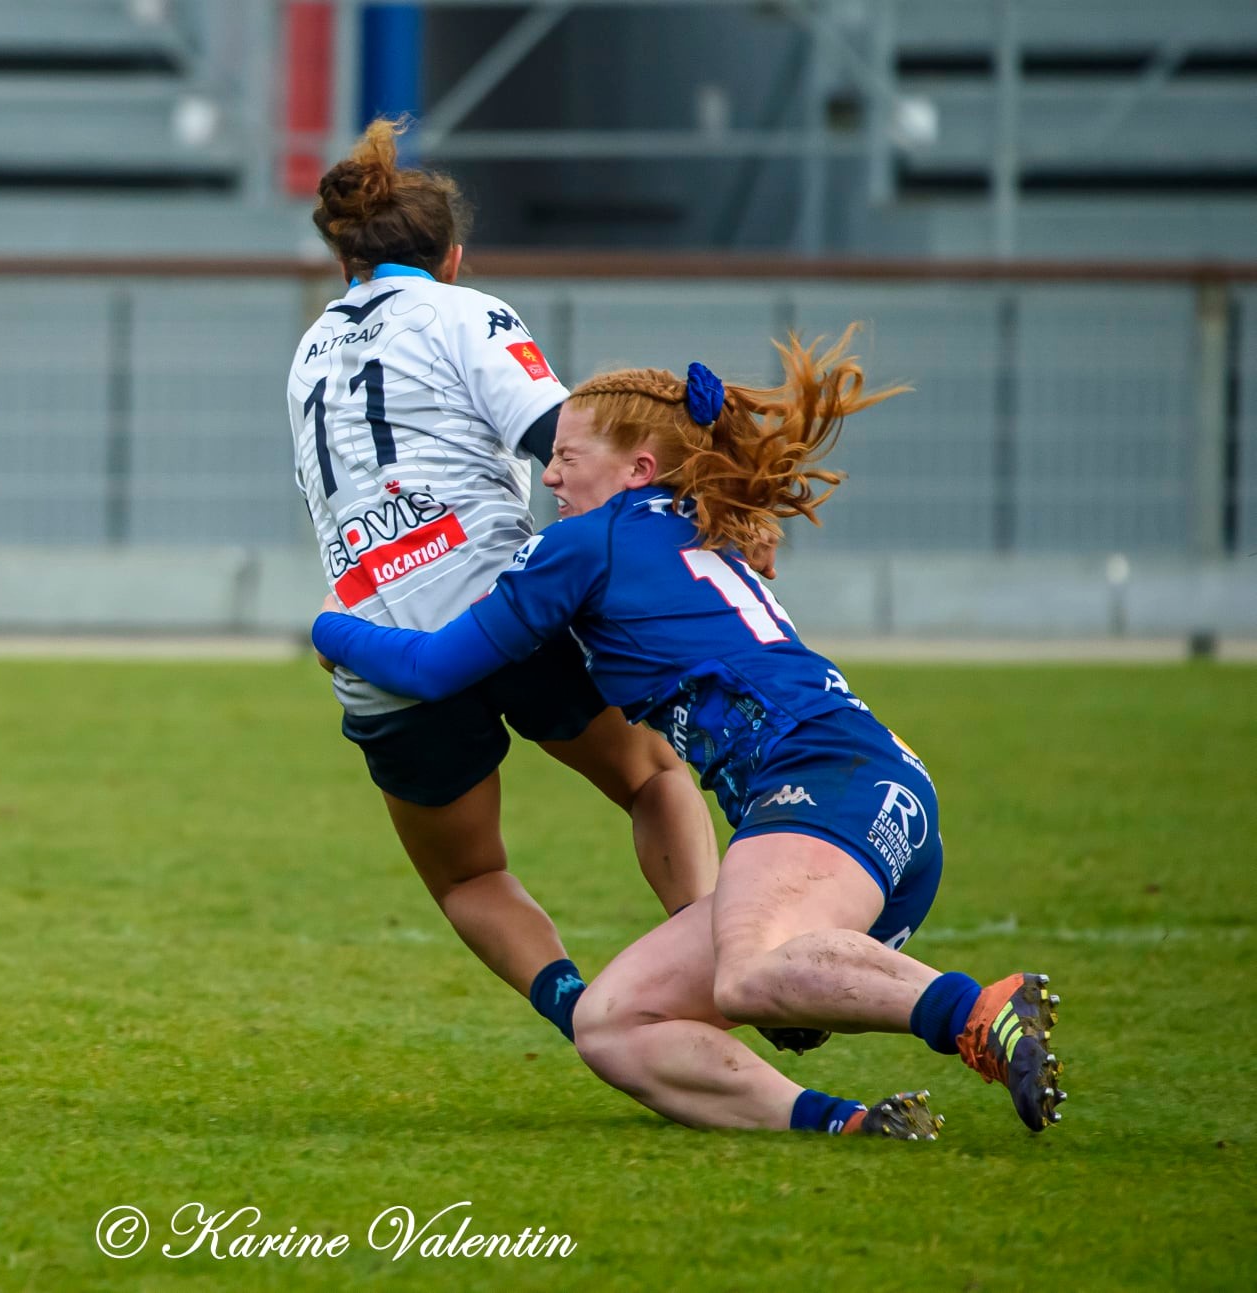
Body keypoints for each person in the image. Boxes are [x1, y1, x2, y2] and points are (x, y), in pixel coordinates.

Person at [311, 329, 1068, 1137]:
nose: (548, 472)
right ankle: (843, 1125)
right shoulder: (683, 519)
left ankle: (976, 1011)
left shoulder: (586, 542)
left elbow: (432, 670)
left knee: (744, 974)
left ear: (638, 468)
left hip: (823, 782)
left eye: (567, 455)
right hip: (866, 795)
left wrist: (330, 628)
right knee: (609, 1024)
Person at [288, 117, 729, 1047]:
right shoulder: (466, 312)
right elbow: (560, 443)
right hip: (505, 605)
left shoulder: (307, 354)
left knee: (466, 877)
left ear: (345, 265)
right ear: (453, 257)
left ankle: (590, 1015)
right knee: (651, 776)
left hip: (383, 643)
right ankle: (724, 966)